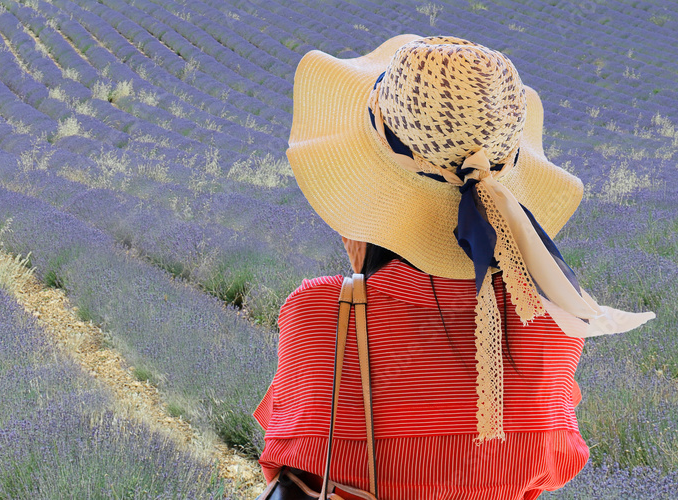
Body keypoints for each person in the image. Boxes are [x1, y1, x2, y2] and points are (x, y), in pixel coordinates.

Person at [254, 35, 657, 499]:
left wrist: (364, 275)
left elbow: (289, 459)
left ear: (372, 183)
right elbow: (550, 465)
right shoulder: (556, 325)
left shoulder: (322, 311)